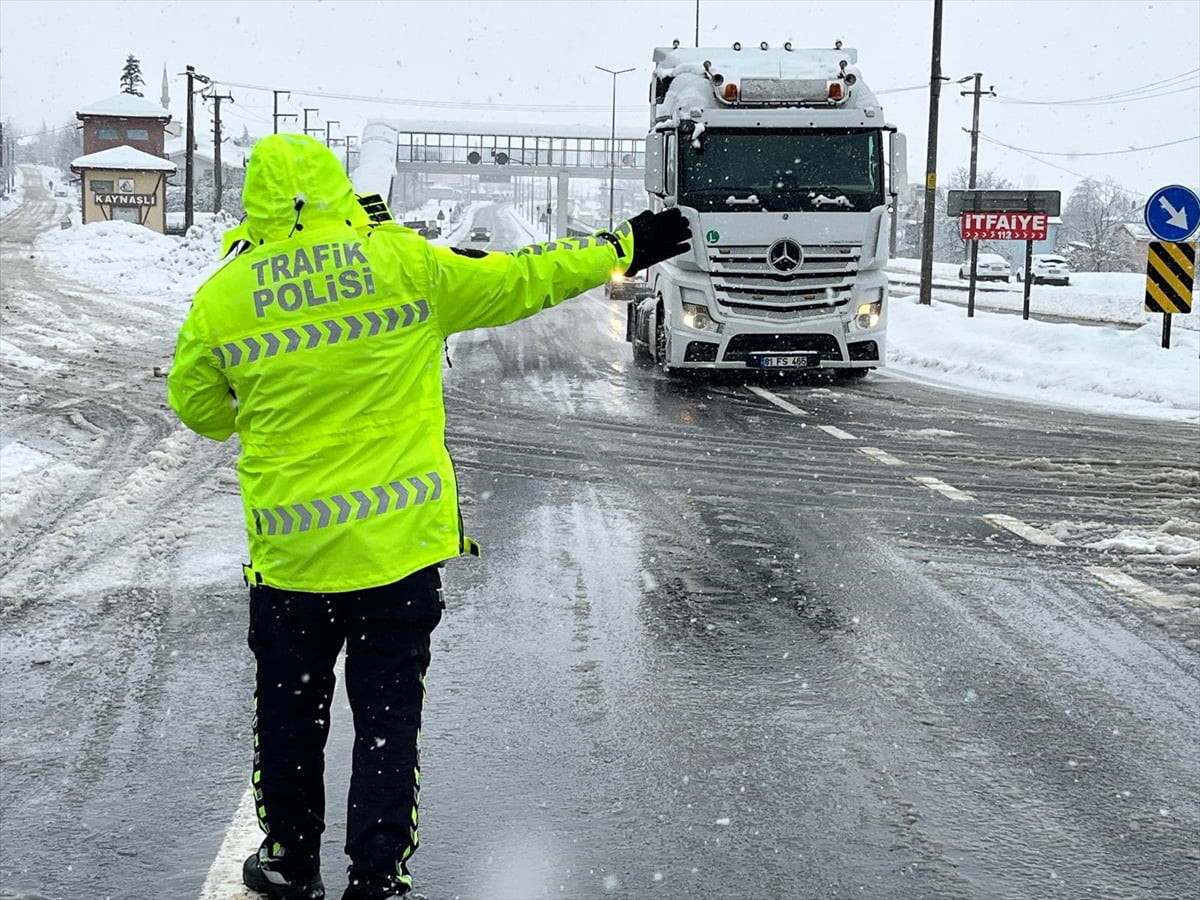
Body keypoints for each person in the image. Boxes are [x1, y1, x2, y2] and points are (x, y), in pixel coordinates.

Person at [167, 132, 690, 900]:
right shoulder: (406, 266)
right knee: (387, 726)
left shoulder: (225, 295)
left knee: (289, 721)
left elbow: (200, 410)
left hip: (291, 563)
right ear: (341, 188)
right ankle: (377, 879)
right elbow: (523, 281)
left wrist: (275, 396)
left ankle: (288, 861)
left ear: (258, 199)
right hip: (398, 554)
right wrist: (623, 245)